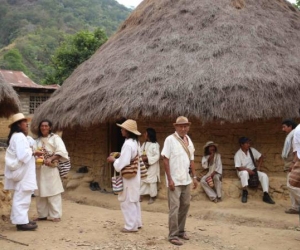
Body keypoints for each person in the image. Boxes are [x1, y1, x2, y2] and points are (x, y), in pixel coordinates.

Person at [161, 116, 198, 246]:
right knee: (174, 208)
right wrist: (170, 179)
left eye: (185, 126)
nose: (183, 128)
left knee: (185, 205)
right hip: (174, 181)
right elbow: (165, 159)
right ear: (175, 127)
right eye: (181, 126)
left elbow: (192, 160)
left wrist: (194, 177)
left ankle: (181, 231)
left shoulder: (189, 140)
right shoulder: (170, 140)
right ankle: (173, 235)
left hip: (186, 180)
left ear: (188, 127)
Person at [4, 113, 40, 231]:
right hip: (23, 174)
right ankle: (21, 223)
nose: (26, 124)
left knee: (22, 196)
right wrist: (33, 152)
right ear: (18, 125)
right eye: (24, 122)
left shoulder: (17, 136)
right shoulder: (19, 136)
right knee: (22, 196)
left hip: (23, 173)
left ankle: (22, 219)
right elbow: (23, 156)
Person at [107, 119, 142, 233]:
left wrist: (114, 160)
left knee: (127, 200)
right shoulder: (136, 143)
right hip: (135, 176)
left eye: (123, 129)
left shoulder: (127, 144)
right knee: (134, 199)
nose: (121, 130)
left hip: (129, 177)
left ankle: (130, 226)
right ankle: (137, 223)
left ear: (127, 131)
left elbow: (123, 163)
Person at [34, 119, 69, 222]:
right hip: (40, 169)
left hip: (51, 169)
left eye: (46, 126)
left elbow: (61, 151)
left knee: (53, 191)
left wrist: (51, 159)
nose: (44, 128)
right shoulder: (37, 141)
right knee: (40, 192)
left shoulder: (55, 139)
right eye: (42, 126)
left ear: (50, 127)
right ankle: (42, 215)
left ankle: (56, 214)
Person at [234, 137, 275, 204]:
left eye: (249, 143)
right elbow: (238, 167)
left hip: (253, 171)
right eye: (246, 143)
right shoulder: (238, 154)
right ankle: (244, 192)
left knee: (264, 175)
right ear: (241, 144)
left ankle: (266, 194)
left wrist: (258, 166)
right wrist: (247, 170)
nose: (248, 145)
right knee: (244, 173)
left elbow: (261, 156)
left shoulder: (252, 150)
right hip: (242, 172)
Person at [140, 128, 160, 204]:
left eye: (145, 133)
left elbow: (157, 156)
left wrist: (148, 158)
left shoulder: (155, 145)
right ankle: (141, 195)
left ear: (149, 134)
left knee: (151, 181)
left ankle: (152, 196)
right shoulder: (144, 144)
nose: (144, 135)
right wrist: (142, 157)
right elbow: (141, 152)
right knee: (142, 179)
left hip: (152, 166)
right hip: (144, 165)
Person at [286, 120, 300, 214]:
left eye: (284, 127)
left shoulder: (296, 132)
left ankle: (295, 206)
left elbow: (296, 151)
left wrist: (293, 163)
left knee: (291, 184)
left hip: (297, 161)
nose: (282, 129)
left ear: (290, 126)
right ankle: (295, 207)